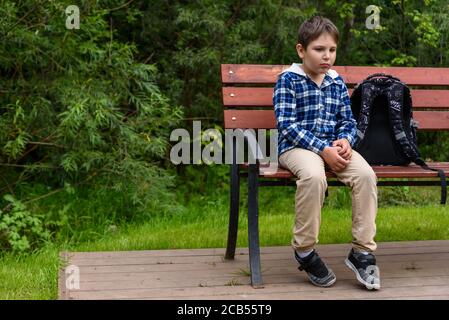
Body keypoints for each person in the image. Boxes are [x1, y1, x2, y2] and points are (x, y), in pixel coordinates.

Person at [273, 16, 380, 290]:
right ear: (301, 50)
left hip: (333, 148)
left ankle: (362, 252)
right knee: (313, 176)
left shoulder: (335, 81)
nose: (327, 56)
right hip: (295, 147)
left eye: (331, 50)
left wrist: (345, 140)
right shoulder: (288, 80)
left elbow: (347, 120)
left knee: (366, 175)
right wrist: (321, 149)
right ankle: (305, 250)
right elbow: (287, 125)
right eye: (319, 49)